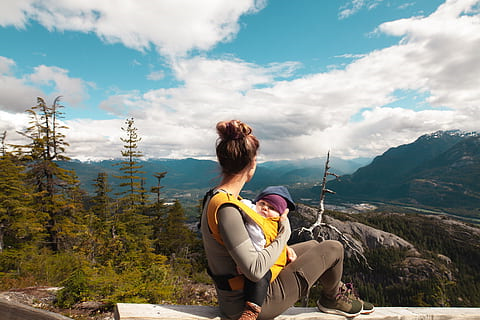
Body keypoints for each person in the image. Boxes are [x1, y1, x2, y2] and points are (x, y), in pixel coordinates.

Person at [200, 120, 374, 320]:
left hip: (240, 292)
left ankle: (336, 292)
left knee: (312, 246)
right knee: (333, 248)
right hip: (248, 303)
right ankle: (332, 298)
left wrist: (280, 250)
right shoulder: (227, 209)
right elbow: (255, 270)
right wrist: (284, 233)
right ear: (252, 164)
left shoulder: (217, 197)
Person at [239, 186, 297, 320]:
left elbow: (272, 237)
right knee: (260, 276)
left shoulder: (272, 223)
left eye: (272, 208)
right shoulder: (253, 217)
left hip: (274, 260)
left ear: (279, 215)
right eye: (262, 203)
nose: (265, 208)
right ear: (256, 203)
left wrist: (286, 246)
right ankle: (251, 311)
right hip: (262, 262)